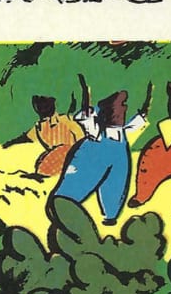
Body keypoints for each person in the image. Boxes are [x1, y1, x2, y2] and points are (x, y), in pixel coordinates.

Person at [56, 88, 146, 225]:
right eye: (120, 107)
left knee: (116, 186)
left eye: (124, 107)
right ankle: (61, 206)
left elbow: (136, 123)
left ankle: (110, 216)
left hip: (119, 159)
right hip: (93, 157)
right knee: (77, 186)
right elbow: (86, 118)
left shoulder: (121, 133)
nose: (124, 110)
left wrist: (144, 110)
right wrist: (87, 109)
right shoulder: (96, 131)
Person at [2, 95, 84, 178]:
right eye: (39, 107)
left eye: (45, 106)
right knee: (40, 164)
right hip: (55, 155)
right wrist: (9, 143)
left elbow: (82, 138)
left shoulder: (65, 120)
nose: (42, 109)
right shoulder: (40, 126)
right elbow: (26, 137)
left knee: (51, 161)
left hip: (72, 154)